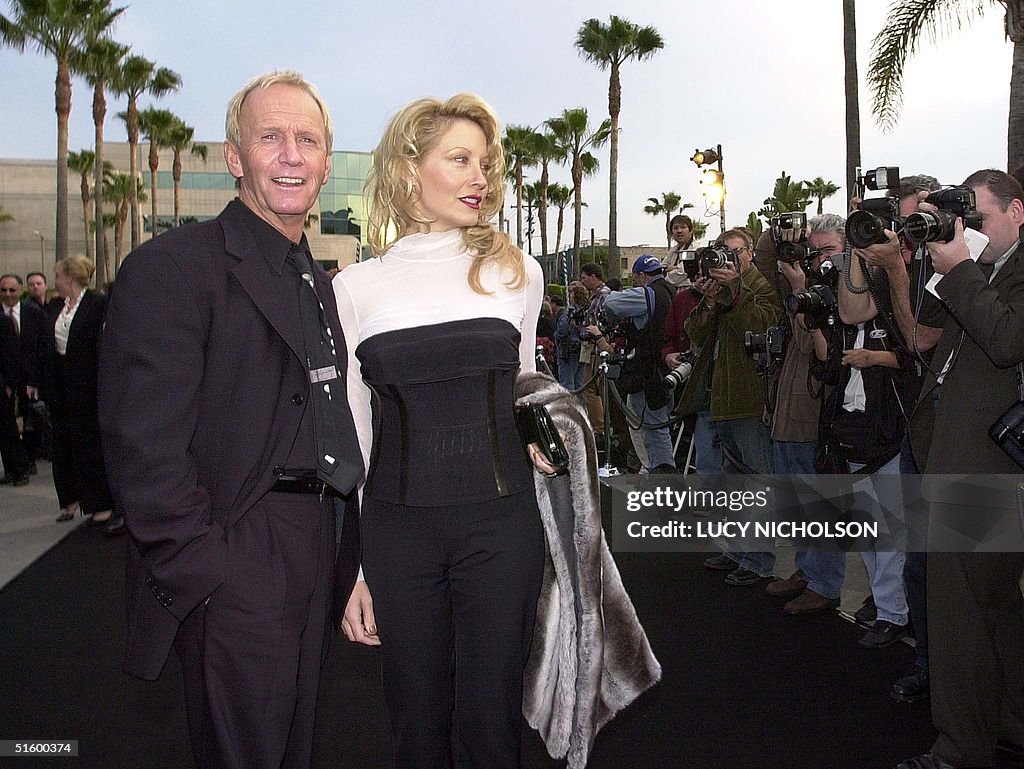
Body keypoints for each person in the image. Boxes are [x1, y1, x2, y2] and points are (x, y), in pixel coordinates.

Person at [98, 71, 364, 769]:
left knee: (294, 746)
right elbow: (142, 447)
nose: (290, 154)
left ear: (327, 162)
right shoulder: (174, 268)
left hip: (316, 546)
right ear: (234, 156)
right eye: (269, 136)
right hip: (240, 553)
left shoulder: (319, 283)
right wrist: (207, 566)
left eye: (307, 139)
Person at [334, 93, 553, 769]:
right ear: (408, 169)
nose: (478, 177)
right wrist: (359, 565)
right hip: (399, 533)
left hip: (503, 524)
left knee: (492, 724)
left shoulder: (517, 273)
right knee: (415, 723)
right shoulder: (353, 288)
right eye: (459, 158)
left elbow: (522, 389)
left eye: (483, 162)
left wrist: (548, 430)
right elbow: (357, 431)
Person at [895, 169, 1024, 769]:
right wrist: (921, 259)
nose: (970, 227)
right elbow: (925, 334)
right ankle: (1005, 725)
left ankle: (959, 750)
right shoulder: (982, 269)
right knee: (991, 612)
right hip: (955, 458)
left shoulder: (1006, 274)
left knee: (960, 615)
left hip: (990, 471)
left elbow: (1005, 340)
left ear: (1016, 212)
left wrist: (959, 266)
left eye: (979, 215)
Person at [680, 228, 781, 584]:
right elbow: (695, 333)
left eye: (735, 253)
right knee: (734, 484)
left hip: (752, 399)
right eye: (723, 253)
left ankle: (758, 559)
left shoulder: (764, 285)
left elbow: (761, 324)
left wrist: (734, 290)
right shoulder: (722, 290)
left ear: (750, 253)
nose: (728, 261)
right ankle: (739, 550)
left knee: (756, 483)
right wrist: (709, 302)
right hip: (721, 399)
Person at [41, 257, 113, 526]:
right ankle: (69, 500)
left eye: (58, 276)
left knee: (88, 443)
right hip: (60, 385)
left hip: (87, 384)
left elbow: (102, 345)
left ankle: (99, 503)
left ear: (69, 278)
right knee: (62, 443)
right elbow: (46, 345)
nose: (55, 282)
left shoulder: (96, 304)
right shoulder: (55, 306)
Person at [603, 255, 678, 472]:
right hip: (668, 368)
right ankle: (656, 476)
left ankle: (664, 484)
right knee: (658, 427)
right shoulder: (672, 291)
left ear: (642, 276)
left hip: (648, 372)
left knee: (653, 431)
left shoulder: (648, 294)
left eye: (636, 279)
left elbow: (611, 304)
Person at [663, 213, 696, 287]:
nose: (679, 231)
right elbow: (661, 270)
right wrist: (676, 268)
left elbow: (678, 275)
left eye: (683, 227)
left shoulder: (695, 250)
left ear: (690, 231)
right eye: (675, 228)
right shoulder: (672, 251)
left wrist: (671, 269)